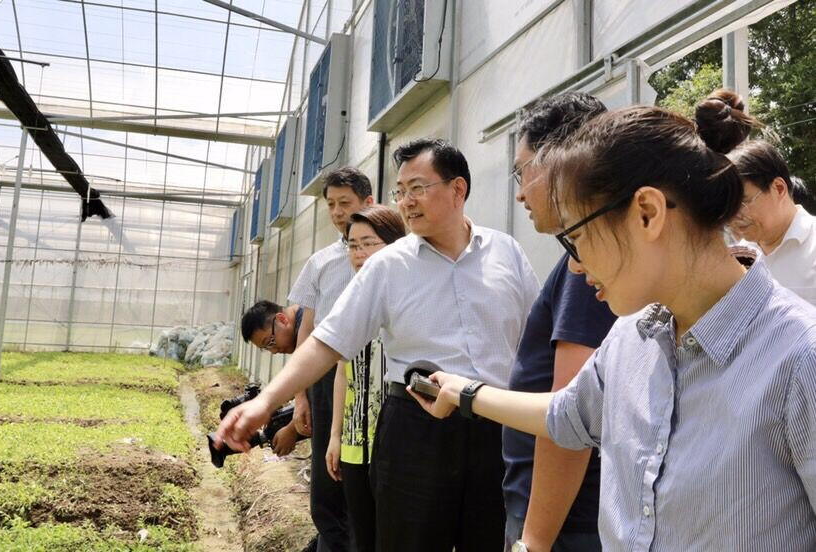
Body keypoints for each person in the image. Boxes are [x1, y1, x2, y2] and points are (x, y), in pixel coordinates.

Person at [412, 105, 816, 550]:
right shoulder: (632, 335)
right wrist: (464, 392)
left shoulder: (800, 359)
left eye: (576, 236)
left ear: (646, 212)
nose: (577, 265)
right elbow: (568, 415)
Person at [215, 138, 540, 551]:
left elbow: (535, 340)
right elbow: (327, 341)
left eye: (418, 188)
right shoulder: (389, 265)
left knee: (490, 538)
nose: (406, 202)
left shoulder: (506, 252)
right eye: (400, 192)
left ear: (458, 189)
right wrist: (265, 402)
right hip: (416, 428)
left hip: (497, 422)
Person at [504, 93, 616, 551]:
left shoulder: (585, 265)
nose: (518, 192)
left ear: (560, 163)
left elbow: (570, 416)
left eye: (522, 170)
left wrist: (534, 540)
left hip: (565, 519)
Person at [288, 167, 374, 551]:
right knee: (329, 463)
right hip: (326, 376)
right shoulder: (320, 262)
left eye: (346, 204)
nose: (338, 212)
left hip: (374, 377)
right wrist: (300, 396)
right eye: (332, 205)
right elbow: (306, 332)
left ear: (367, 203)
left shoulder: (391, 254)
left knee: (366, 470)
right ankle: (330, 539)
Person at [325, 205, 406, 552]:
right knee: (362, 535)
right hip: (355, 445)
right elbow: (344, 371)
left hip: (398, 445)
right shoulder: (349, 301)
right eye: (352, 245)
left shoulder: (408, 299)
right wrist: (335, 435)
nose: (359, 254)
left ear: (395, 245)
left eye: (368, 243)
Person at [707, 92, 816, 305]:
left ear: (779, 188)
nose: (734, 217)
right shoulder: (738, 259)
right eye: (729, 207)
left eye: (743, 202)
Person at [239, 300, 303, 456]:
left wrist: (292, 430)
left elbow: (321, 398)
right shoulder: (303, 322)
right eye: (266, 348)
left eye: (270, 342)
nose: (273, 351)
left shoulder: (309, 328)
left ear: (282, 319)